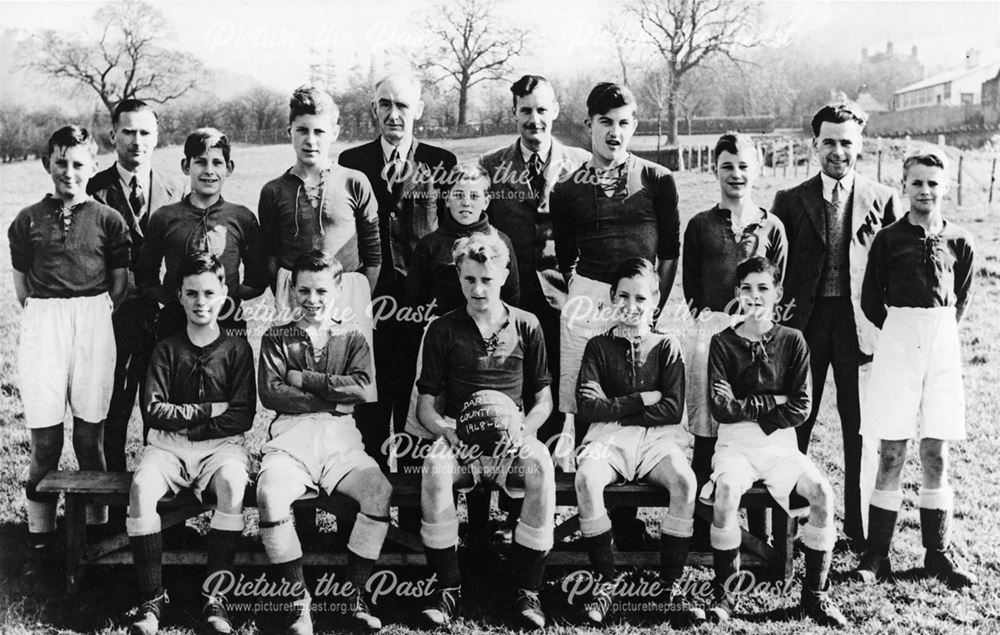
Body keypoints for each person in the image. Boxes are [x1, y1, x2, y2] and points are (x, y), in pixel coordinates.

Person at [770, 102, 898, 549]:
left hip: (859, 326)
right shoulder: (789, 200)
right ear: (814, 145)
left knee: (858, 427)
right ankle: (789, 523)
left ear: (860, 145)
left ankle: (858, 528)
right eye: (829, 142)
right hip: (804, 328)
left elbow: (892, 269)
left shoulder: (882, 199)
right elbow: (774, 270)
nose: (838, 151)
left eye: (847, 142)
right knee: (795, 423)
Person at [416, 233, 555, 629]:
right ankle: (447, 589)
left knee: (541, 466)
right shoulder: (442, 329)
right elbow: (425, 405)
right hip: (465, 443)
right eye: (469, 279)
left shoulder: (527, 325)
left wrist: (525, 430)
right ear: (458, 276)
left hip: (513, 443)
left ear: (505, 275)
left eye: (488, 280)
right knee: (434, 468)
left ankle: (528, 589)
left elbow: (544, 400)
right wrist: (447, 429)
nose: (478, 289)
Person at [8, 125, 130, 579]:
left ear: (92, 166)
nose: (69, 171)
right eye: (61, 162)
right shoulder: (26, 219)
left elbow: (118, 285)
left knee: (88, 438)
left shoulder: (108, 219)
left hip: (93, 321)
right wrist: (52, 313)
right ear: (47, 164)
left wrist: (88, 313)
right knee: (45, 442)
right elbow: (22, 288)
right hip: (44, 322)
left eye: (79, 163)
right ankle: (40, 534)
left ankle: (96, 530)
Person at [853, 151, 976, 589]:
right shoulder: (887, 239)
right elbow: (870, 301)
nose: (925, 190)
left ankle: (937, 553)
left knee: (936, 451)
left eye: (933, 183)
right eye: (917, 182)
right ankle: (876, 555)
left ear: (944, 188)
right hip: (898, 341)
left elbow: (960, 298)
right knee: (891, 451)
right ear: (904, 186)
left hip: (941, 342)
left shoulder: (960, 240)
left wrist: (934, 333)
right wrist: (902, 333)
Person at [705, 256, 846, 627]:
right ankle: (726, 594)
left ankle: (815, 595)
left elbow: (801, 408)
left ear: (777, 293)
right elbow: (722, 407)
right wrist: (772, 401)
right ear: (737, 294)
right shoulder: (722, 342)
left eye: (763, 288)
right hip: (735, 444)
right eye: (747, 289)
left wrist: (751, 405)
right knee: (725, 495)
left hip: (781, 443)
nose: (755, 297)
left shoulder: (793, 341)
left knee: (822, 493)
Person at [257, 251, 391, 634]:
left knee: (378, 490)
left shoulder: (352, 337)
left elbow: (365, 390)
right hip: (292, 436)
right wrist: (335, 397)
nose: (312, 299)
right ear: (291, 290)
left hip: (340, 437)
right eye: (303, 290)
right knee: (269, 495)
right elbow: (272, 394)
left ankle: (353, 595)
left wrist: (306, 379)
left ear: (337, 289)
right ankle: (298, 601)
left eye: (320, 290)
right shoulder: (276, 336)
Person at [127, 253, 256, 635]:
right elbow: (153, 412)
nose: (201, 302)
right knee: (140, 487)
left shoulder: (237, 350)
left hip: (221, 446)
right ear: (179, 297)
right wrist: (205, 409)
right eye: (192, 293)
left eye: (209, 293)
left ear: (224, 295)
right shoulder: (166, 348)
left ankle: (215, 596)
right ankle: (152, 599)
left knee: (233, 485)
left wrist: (195, 425)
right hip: (167, 446)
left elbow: (242, 415)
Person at [338, 74, 456, 471]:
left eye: (403, 105)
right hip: (369, 307)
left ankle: (412, 523)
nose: (393, 114)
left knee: (414, 416)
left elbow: (447, 239)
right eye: (385, 104)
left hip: (421, 311)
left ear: (418, 110)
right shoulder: (351, 163)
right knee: (370, 412)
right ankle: (369, 514)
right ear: (374, 109)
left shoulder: (441, 163)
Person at [572, 258, 695, 624]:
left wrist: (616, 409)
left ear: (655, 301)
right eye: (623, 296)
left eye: (640, 298)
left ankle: (669, 586)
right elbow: (588, 407)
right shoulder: (597, 346)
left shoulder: (667, 346)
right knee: (586, 478)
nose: (631, 305)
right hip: (608, 437)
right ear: (611, 297)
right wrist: (640, 400)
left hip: (657, 438)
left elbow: (672, 409)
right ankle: (605, 582)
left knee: (685, 482)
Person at [681, 132, 786, 544]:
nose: (736, 174)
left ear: (757, 170)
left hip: (758, 336)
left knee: (752, 426)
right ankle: (700, 525)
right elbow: (691, 288)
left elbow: (780, 283)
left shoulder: (772, 225)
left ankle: (756, 531)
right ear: (715, 170)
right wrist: (716, 325)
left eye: (744, 166)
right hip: (713, 335)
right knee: (709, 429)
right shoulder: (700, 224)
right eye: (727, 166)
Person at [479, 74, 590, 446]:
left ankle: (551, 495)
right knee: (510, 396)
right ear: (514, 113)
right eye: (525, 110)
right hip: (510, 302)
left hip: (565, 301)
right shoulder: (491, 166)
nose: (534, 119)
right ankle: (512, 497)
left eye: (542, 109)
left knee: (558, 396)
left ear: (555, 111)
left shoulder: (581, 163)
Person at [88, 98, 186, 476]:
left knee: (160, 412)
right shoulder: (94, 190)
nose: (137, 140)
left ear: (157, 136)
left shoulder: (177, 189)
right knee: (114, 413)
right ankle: (113, 508)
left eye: (145, 132)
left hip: (167, 320)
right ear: (113, 135)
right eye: (128, 131)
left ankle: (158, 501)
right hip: (113, 319)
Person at [135, 128, 266, 340]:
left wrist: (227, 296)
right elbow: (146, 276)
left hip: (227, 320)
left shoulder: (242, 217)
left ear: (229, 168)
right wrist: (175, 299)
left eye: (217, 163)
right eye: (200, 162)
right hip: (176, 321)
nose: (209, 170)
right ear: (186, 166)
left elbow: (258, 278)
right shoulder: (165, 217)